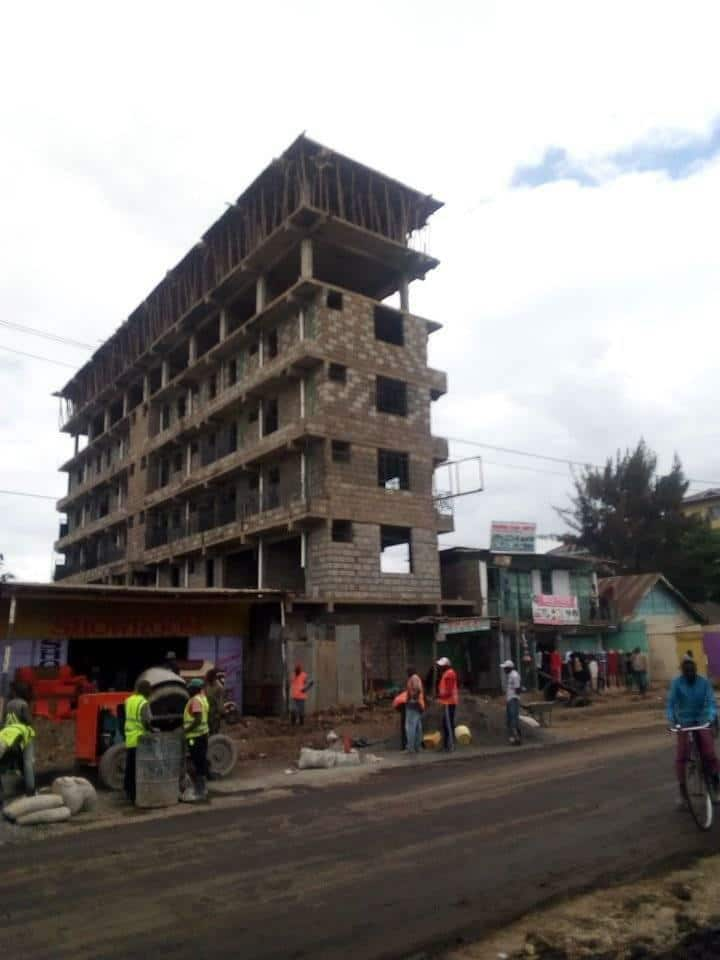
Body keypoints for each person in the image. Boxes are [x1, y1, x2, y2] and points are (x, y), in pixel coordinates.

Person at [667, 655, 720, 804]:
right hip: (684, 720)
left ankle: (716, 782)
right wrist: (672, 719)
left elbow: (710, 702)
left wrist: (710, 717)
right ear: (682, 672)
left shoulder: (704, 682)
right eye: (686, 671)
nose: (690, 674)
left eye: (692, 671)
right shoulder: (676, 683)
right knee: (681, 756)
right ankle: (683, 791)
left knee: (709, 753)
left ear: (696, 670)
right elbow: (671, 704)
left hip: (702, 718)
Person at [123, 680, 153, 805]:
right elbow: (147, 721)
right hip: (140, 739)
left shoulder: (129, 700)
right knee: (138, 769)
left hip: (130, 738)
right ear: (146, 690)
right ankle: (136, 796)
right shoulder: (143, 703)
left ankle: (128, 791)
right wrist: (151, 731)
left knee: (130, 767)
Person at [184, 678, 210, 801]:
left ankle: (200, 791)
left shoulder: (195, 700)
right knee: (201, 761)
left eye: (190, 688)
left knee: (198, 763)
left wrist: (186, 730)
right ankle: (203, 789)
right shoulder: (203, 699)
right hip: (203, 734)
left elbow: (198, 719)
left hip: (195, 737)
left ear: (195, 689)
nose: (188, 690)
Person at [437, 656, 459, 752]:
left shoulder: (450, 674)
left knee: (448, 724)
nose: (440, 667)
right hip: (447, 701)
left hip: (449, 702)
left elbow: (449, 691)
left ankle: (450, 745)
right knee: (446, 723)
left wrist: (441, 696)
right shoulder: (447, 673)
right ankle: (447, 745)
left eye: (442, 665)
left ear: (446, 666)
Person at [405, 666, 425, 754]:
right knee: (417, 727)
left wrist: (412, 699)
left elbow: (417, 690)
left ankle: (411, 748)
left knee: (411, 727)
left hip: (414, 705)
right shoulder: (415, 678)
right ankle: (417, 747)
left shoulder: (414, 678)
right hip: (418, 704)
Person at [502, 659, 522, 745]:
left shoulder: (514, 675)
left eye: (505, 668)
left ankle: (517, 738)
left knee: (513, 719)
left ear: (509, 668)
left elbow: (518, 689)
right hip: (510, 699)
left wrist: (514, 696)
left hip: (513, 699)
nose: (504, 670)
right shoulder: (511, 675)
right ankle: (514, 738)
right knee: (510, 719)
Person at [205, 668, 224, 736]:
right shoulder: (208, 685)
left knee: (214, 733)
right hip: (208, 712)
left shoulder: (219, 687)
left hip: (215, 714)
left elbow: (220, 702)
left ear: (213, 677)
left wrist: (220, 713)